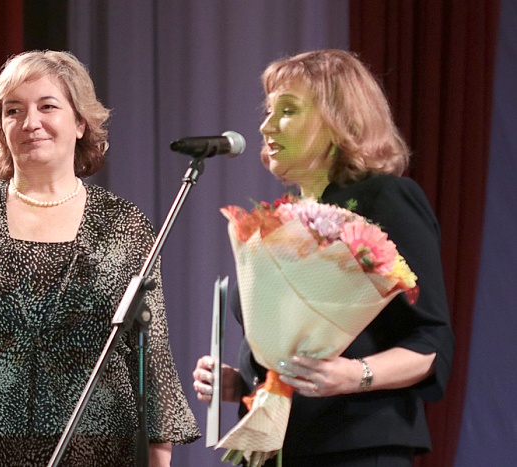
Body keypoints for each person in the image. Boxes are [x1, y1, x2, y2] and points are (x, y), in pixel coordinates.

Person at [0, 50, 200, 467]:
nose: (31, 122)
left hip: (98, 452)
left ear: (80, 123)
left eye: (47, 106)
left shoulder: (122, 223)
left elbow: (151, 355)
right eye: (14, 110)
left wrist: (158, 460)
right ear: (0, 126)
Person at [193, 49, 454, 466]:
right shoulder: (280, 220)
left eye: (288, 110)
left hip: (355, 447)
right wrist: (243, 381)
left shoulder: (386, 198)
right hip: (274, 446)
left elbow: (431, 341)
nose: (265, 125)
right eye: (268, 111)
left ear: (339, 121)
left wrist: (355, 375)